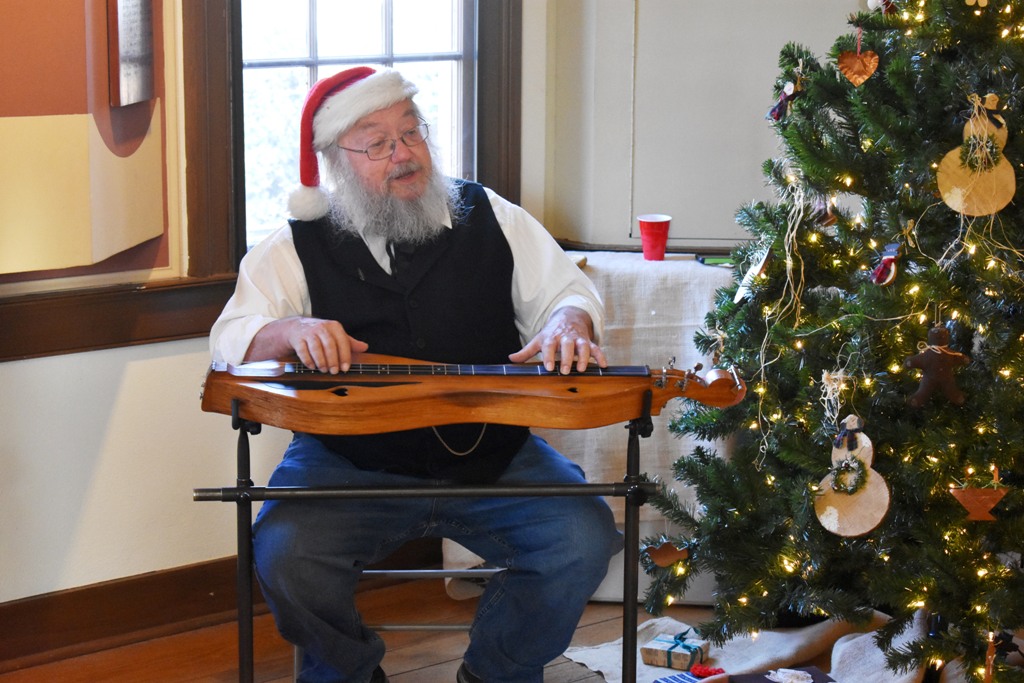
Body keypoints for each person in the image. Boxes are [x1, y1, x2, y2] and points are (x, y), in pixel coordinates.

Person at [209, 66, 622, 683]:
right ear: (336, 161)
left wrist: (568, 322)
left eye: (411, 132)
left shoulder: (490, 215)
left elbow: (567, 292)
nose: (403, 154)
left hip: (493, 454)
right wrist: (288, 332)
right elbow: (229, 338)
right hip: (348, 461)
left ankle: (496, 671)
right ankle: (347, 672)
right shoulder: (296, 245)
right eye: (377, 143)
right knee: (287, 556)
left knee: (582, 539)